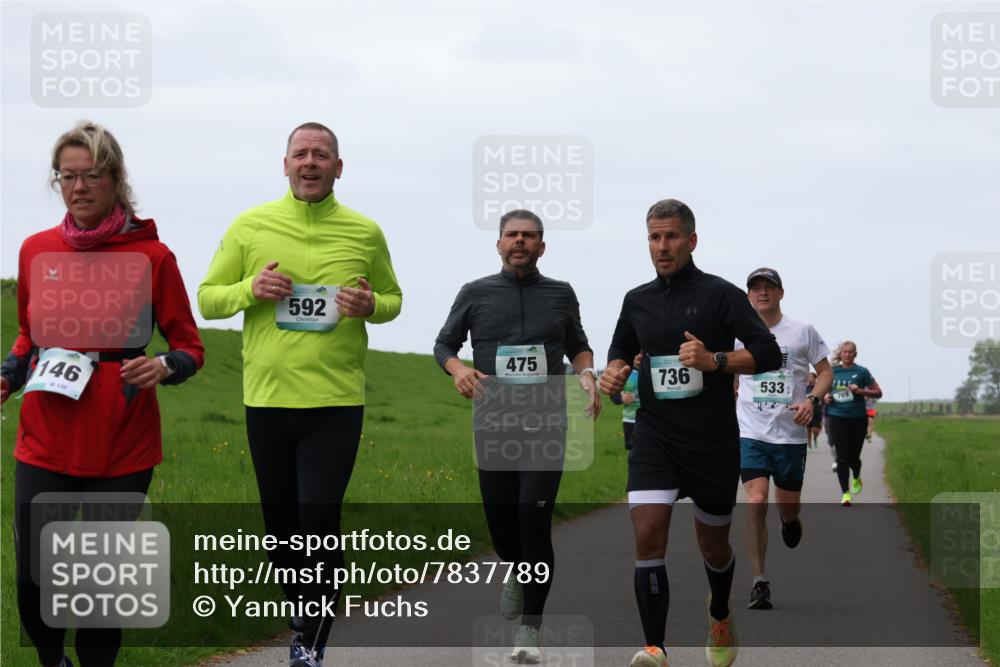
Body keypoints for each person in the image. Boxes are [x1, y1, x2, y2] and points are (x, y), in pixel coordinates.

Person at [1, 120, 205, 667]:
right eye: (67, 176)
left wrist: (164, 365)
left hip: (122, 440)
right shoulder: (35, 251)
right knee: (33, 574)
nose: (78, 186)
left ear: (116, 179)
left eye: (91, 174)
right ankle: (51, 660)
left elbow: (189, 347)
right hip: (45, 436)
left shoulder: (152, 258)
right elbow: (28, 335)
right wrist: (8, 373)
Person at [198, 122, 402, 667]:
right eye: (300, 154)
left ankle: (309, 643)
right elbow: (208, 300)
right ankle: (305, 606)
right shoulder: (250, 226)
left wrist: (370, 307)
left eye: (321, 155)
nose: (310, 163)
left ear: (339, 167)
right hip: (266, 400)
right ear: (284, 165)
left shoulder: (364, 232)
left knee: (318, 521)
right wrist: (250, 290)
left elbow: (393, 298)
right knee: (281, 535)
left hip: (335, 403)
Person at [599, 199, 782, 667]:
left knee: (713, 545)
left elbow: (768, 352)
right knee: (648, 534)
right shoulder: (636, 299)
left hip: (711, 440)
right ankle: (655, 648)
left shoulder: (721, 295)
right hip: (655, 436)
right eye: (655, 238)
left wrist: (714, 360)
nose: (663, 246)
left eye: (672, 236)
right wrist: (615, 372)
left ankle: (719, 613)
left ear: (691, 240)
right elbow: (620, 349)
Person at [434, 209, 601, 664]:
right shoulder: (475, 293)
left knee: (533, 518)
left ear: (542, 246)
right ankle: (515, 568)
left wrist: (586, 373)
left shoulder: (560, 294)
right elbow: (443, 345)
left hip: (547, 425)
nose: (520, 242)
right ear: (499, 244)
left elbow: (578, 345)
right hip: (494, 425)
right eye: (512, 235)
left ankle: (530, 627)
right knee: (503, 526)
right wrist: (459, 369)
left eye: (529, 236)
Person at [735, 268, 832, 611]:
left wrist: (811, 400)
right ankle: (759, 582)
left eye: (769, 288)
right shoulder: (737, 333)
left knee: (786, 509)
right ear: (749, 295)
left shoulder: (802, 330)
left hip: (790, 434)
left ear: (780, 293)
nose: (762, 293)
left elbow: (826, 373)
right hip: (751, 432)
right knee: (757, 500)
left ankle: (790, 523)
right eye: (756, 288)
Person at [822, 341, 882, 506]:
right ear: (840, 354)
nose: (847, 354)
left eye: (850, 352)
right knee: (842, 456)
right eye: (844, 352)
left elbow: (878, 392)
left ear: (855, 354)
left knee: (854, 457)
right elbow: (821, 391)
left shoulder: (862, 372)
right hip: (836, 417)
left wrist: (860, 391)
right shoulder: (832, 371)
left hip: (857, 418)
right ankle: (845, 494)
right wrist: (825, 397)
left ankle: (856, 475)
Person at [611, 352, 644, 449]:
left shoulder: (650, 373)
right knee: (632, 450)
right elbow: (613, 395)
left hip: (647, 420)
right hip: (629, 419)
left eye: (641, 354)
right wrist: (622, 398)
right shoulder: (625, 373)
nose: (638, 356)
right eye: (636, 353)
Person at [805, 372, 824, 449]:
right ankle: (809, 445)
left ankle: (815, 438)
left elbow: (822, 397)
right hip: (808, 410)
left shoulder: (819, 387)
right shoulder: (805, 388)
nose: (809, 378)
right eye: (808, 376)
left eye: (811, 377)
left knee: (815, 429)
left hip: (817, 411)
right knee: (808, 429)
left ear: (815, 378)